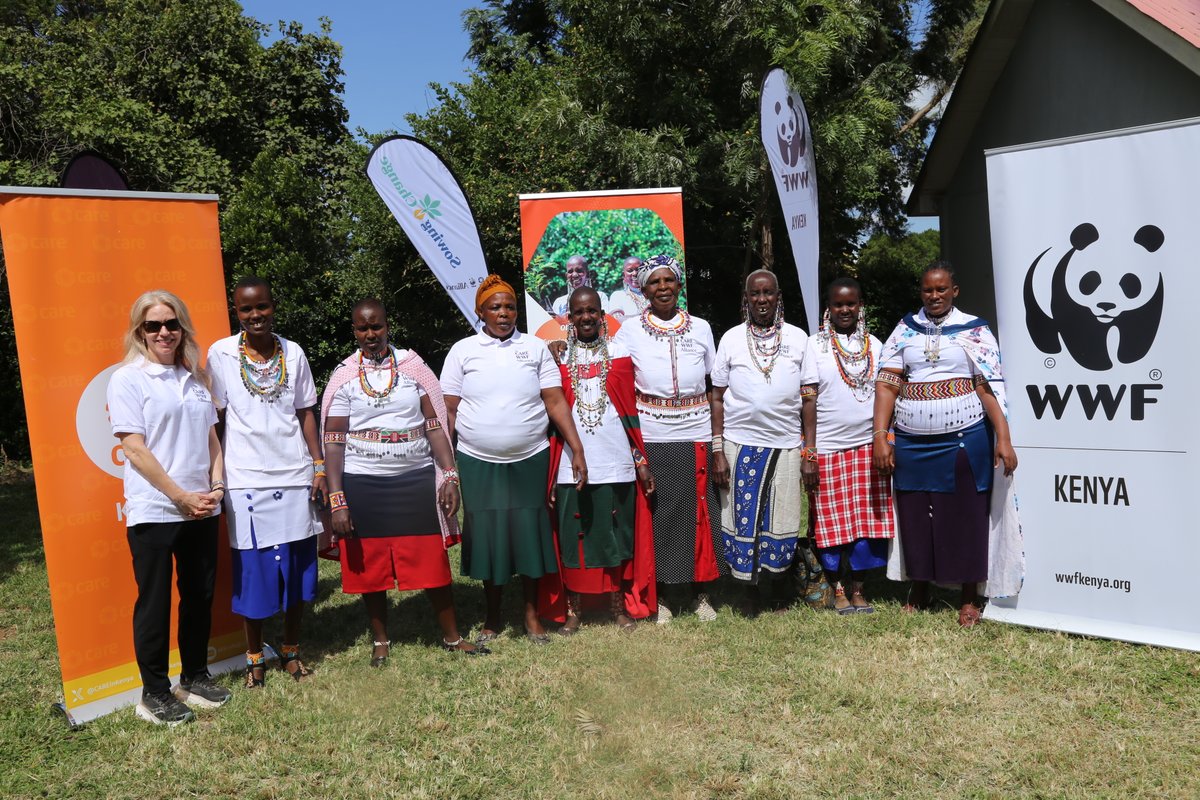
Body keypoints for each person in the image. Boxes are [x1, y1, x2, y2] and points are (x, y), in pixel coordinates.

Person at [321, 299, 484, 663]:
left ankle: (452, 636)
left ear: (387, 325)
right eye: (363, 329)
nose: (370, 335)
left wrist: (450, 475)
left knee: (431, 563)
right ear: (354, 331)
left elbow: (435, 426)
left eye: (376, 326)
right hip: (363, 483)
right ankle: (380, 640)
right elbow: (333, 440)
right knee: (371, 570)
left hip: (414, 481)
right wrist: (338, 499)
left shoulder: (414, 368)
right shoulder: (345, 375)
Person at [872, 263, 1022, 627]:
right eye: (927, 290)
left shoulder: (974, 329)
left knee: (967, 515)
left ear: (955, 290)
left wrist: (1003, 436)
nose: (934, 296)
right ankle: (920, 588)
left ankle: (969, 597)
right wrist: (880, 436)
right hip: (910, 439)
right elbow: (887, 384)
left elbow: (988, 385)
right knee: (915, 515)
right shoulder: (904, 330)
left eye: (941, 290)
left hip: (963, 436)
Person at [441, 275, 588, 644]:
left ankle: (531, 615)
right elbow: (449, 411)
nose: (503, 313)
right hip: (477, 460)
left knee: (530, 534)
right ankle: (492, 617)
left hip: (530, 458)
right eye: (495, 307)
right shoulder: (463, 351)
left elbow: (555, 401)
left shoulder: (535, 348)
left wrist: (577, 448)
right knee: (490, 535)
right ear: (480, 312)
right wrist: (447, 467)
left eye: (509, 306)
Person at [107, 290, 231, 726]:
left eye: (172, 323)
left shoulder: (196, 379)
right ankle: (154, 693)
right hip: (157, 510)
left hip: (202, 507)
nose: (164, 332)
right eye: (153, 325)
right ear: (139, 331)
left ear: (183, 328)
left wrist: (216, 486)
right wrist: (179, 495)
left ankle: (194, 677)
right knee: (156, 603)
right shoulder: (128, 379)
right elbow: (134, 449)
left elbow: (212, 439)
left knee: (199, 597)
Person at [205, 277, 324, 687]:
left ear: (274, 306)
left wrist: (318, 465)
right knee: (253, 574)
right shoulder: (220, 354)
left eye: (262, 307)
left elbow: (306, 411)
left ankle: (290, 650)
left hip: (293, 475)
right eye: (245, 309)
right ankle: (255, 656)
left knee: (294, 570)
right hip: (245, 480)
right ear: (236, 311)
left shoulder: (294, 352)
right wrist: (217, 475)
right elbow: (216, 418)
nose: (255, 315)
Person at [611, 254, 722, 622]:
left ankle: (700, 594)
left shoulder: (702, 327)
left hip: (696, 431)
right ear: (643, 290)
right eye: (655, 283)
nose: (662, 288)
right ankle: (661, 597)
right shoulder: (629, 331)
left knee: (700, 517)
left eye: (669, 281)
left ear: (679, 286)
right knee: (660, 516)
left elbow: (715, 384)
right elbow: (614, 373)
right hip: (654, 434)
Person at [549, 286, 657, 632]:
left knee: (616, 536)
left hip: (615, 461)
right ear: (569, 317)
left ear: (601, 314)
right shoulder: (558, 357)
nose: (585, 318)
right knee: (574, 536)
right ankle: (575, 609)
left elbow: (630, 412)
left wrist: (640, 461)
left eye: (591, 311)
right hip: (571, 463)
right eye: (578, 312)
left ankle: (617, 608)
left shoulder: (621, 352)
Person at [710, 270, 808, 614]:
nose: (762, 300)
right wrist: (718, 449)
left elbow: (808, 396)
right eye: (755, 294)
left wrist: (808, 449)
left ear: (778, 297)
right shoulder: (732, 339)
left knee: (781, 518)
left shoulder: (798, 338)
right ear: (746, 298)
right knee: (743, 518)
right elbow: (717, 396)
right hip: (740, 443)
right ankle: (748, 592)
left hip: (785, 444)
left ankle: (779, 588)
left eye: (768, 293)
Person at [800, 277, 893, 615]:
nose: (844, 309)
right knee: (831, 525)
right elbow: (808, 401)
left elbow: (886, 394)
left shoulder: (877, 345)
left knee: (866, 525)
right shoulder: (815, 346)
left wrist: (886, 439)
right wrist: (809, 453)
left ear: (859, 306)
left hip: (867, 449)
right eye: (838, 304)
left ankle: (858, 589)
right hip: (828, 449)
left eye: (850, 303)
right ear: (829, 307)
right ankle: (837, 590)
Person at [608, 256, 648, 323]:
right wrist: (645, 316)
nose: (635, 273)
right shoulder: (618, 296)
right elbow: (617, 319)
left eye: (638, 269)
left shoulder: (653, 293)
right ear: (624, 275)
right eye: (630, 270)